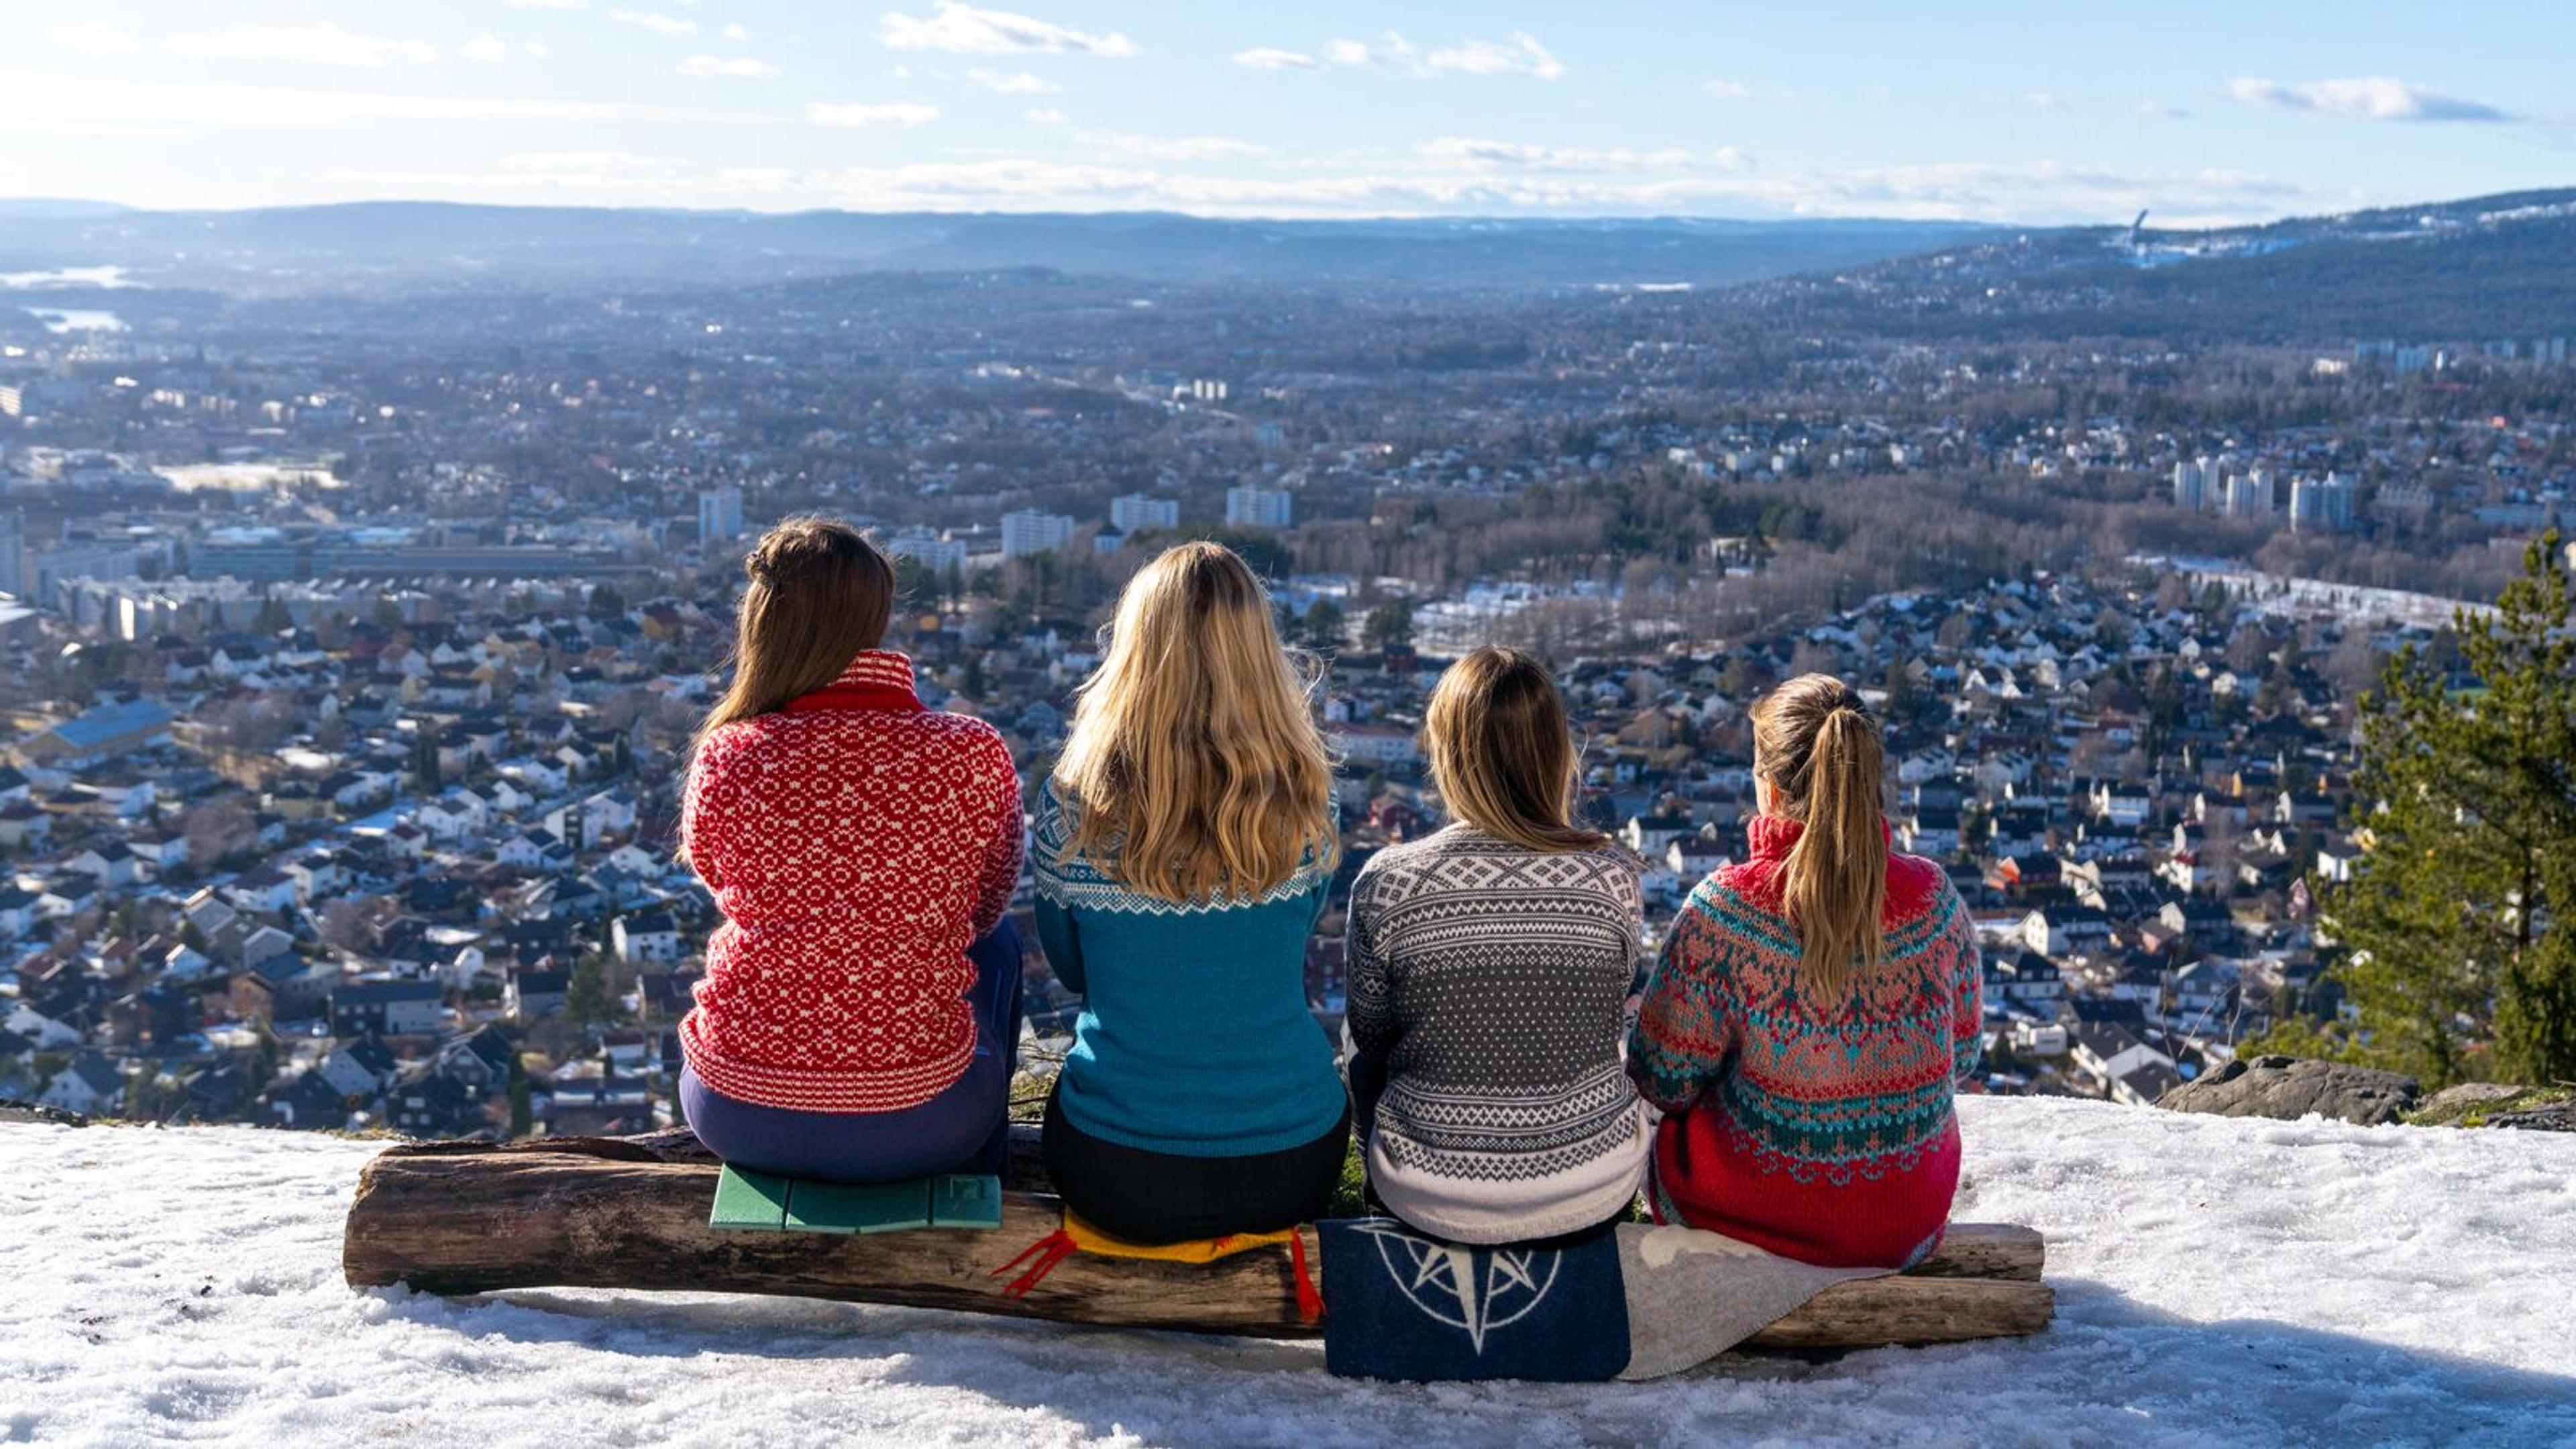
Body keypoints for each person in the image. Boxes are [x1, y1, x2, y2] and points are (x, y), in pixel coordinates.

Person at [676, 518, 1026, 1184]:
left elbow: (714, 874)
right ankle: (985, 1182)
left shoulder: (730, 754)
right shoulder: (968, 751)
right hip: (923, 1122)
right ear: (878, 614)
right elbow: (985, 905)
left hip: (739, 1111)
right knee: (997, 944)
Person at [1034, 541, 1349, 1244]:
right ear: (1260, 653)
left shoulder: (1073, 805)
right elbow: (1287, 944)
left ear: (1136, 650)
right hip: (1291, 1158)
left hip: (1114, 1164)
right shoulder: (1308, 800)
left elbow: (1072, 970)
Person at [1626, 674, 1982, 1269]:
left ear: (1767, 787)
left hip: (1748, 1223)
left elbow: (1661, 1079)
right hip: (1905, 1224)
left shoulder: (1727, 915)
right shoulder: (1934, 900)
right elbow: (1962, 1055)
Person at [1344, 646, 1648, 1244]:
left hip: (1426, 1193)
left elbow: (1372, 1040)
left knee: (1360, 1051)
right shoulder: (1612, 879)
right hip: (1590, 1186)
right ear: (1554, 752)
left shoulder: (1390, 882)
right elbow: (1607, 1007)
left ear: (1448, 755)